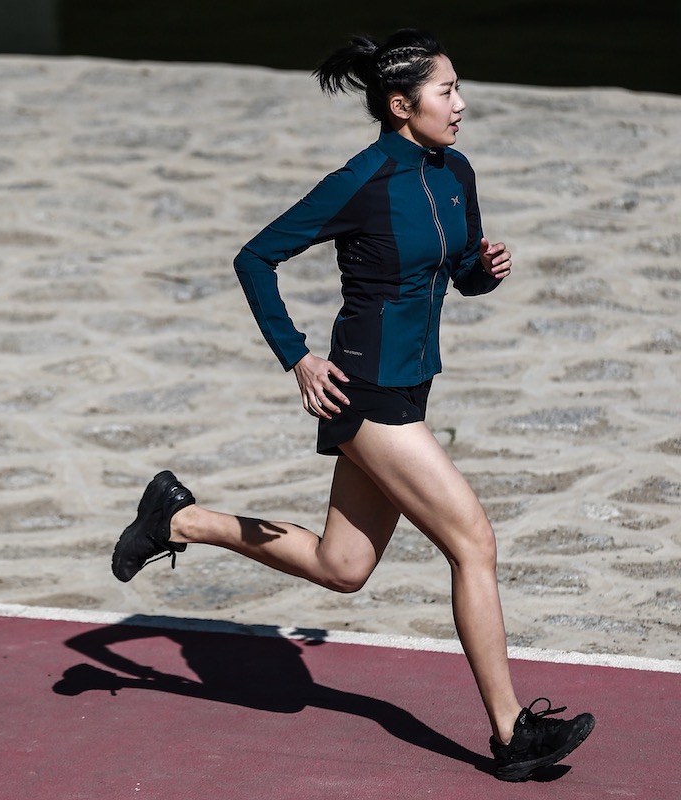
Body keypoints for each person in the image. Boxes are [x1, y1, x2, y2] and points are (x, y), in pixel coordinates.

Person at [111, 28, 595, 782]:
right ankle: (511, 735)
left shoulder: (454, 171)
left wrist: (485, 271)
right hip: (364, 391)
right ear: (402, 106)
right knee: (474, 543)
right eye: (446, 92)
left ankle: (177, 517)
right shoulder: (361, 180)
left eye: (458, 89)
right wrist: (297, 357)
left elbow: (458, 272)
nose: (461, 104)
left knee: (343, 567)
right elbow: (255, 257)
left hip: (412, 385)